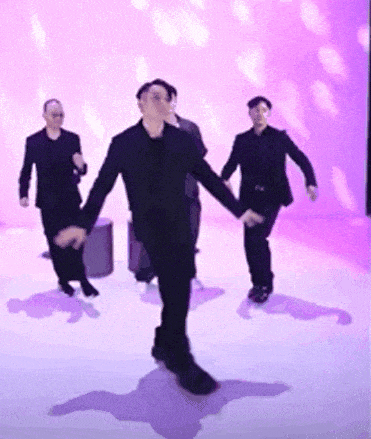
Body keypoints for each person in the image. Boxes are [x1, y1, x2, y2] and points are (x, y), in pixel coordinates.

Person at [54, 80, 263, 395]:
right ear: (139, 103)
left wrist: (239, 211)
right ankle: (180, 356)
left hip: (181, 223)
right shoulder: (124, 142)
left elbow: (208, 177)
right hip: (151, 227)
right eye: (153, 97)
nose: (160, 102)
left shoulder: (182, 140)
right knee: (175, 285)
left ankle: (165, 340)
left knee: (177, 286)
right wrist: (83, 225)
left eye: (165, 98)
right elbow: (101, 186)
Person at [221, 96, 318, 304]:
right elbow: (231, 164)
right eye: (255, 110)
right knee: (250, 242)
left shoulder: (279, 137)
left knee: (258, 237)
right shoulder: (242, 140)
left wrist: (310, 181)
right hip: (249, 197)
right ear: (249, 113)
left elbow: (300, 158)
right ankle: (258, 283)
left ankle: (264, 284)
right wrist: (224, 179)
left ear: (269, 113)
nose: (259, 114)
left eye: (264, 110)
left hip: (272, 197)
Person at [18, 99, 98, 298]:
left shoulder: (72, 139)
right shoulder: (33, 141)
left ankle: (82, 279)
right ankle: (63, 279)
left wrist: (82, 166)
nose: (58, 118)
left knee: (76, 240)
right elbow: (26, 170)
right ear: (44, 116)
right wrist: (23, 193)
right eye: (54, 114)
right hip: (48, 201)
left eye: (61, 114)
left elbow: (81, 168)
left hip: (70, 198)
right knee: (55, 243)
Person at [133, 79, 208, 285]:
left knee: (189, 236)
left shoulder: (189, 127)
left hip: (187, 193)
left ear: (173, 99)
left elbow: (199, 155)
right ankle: (145, 276)